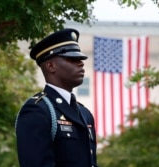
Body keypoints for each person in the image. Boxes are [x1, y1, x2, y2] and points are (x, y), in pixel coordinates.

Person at [15, 28, 98, 167]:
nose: (81, 63)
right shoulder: (37, 110)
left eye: (80, 59)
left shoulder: (84, 113)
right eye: (72, 59)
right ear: (51, 66)